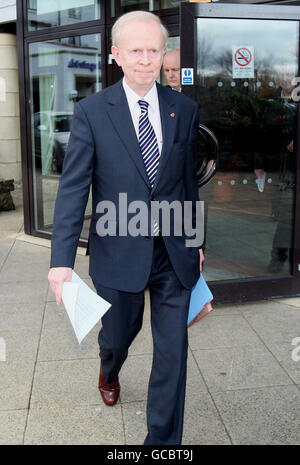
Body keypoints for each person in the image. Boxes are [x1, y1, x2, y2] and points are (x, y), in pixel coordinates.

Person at [48, 10, 204, 445]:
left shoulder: (183, 110)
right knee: (119, 333)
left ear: (163, 53)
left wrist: (196, 239)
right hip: (117, 250)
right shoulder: (93, 112)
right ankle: (109, 364)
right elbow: (73, 190)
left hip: (173, 251)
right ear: (116, 55)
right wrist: (61, 262)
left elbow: (187, 184)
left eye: (153, 50)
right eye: (135, 50)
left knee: (173, 352)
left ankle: (162, 444)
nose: (145, 59)